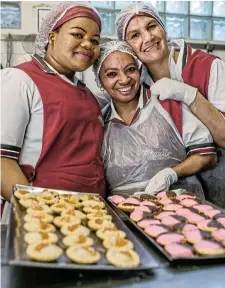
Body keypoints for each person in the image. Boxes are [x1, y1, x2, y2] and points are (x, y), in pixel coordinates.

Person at [1, 1, 106, 218]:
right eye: (78, 34)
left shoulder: (88, 96)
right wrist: (41, 215)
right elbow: (2, 162)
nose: (88, 44)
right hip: (40, 217)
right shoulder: (20, 79)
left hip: (89, 216)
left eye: (94, 41)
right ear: (52, 36)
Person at [115, 3, 225, 207]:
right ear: (126, 46)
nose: (147, 38)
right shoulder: (139, 83)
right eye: (135, 35)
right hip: (182, 188)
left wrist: (190, 95)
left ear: (163, 29)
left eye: (151, 26)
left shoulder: (208, 66)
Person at [93, 40, 217, 200]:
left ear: (139, 70)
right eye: (112, 74)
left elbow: (207, 155)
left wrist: (172, 174)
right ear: (100, 81)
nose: (124, 80)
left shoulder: (168, 105)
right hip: (123, 215)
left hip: (178, 207)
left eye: (130, 70)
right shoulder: (100, 123)